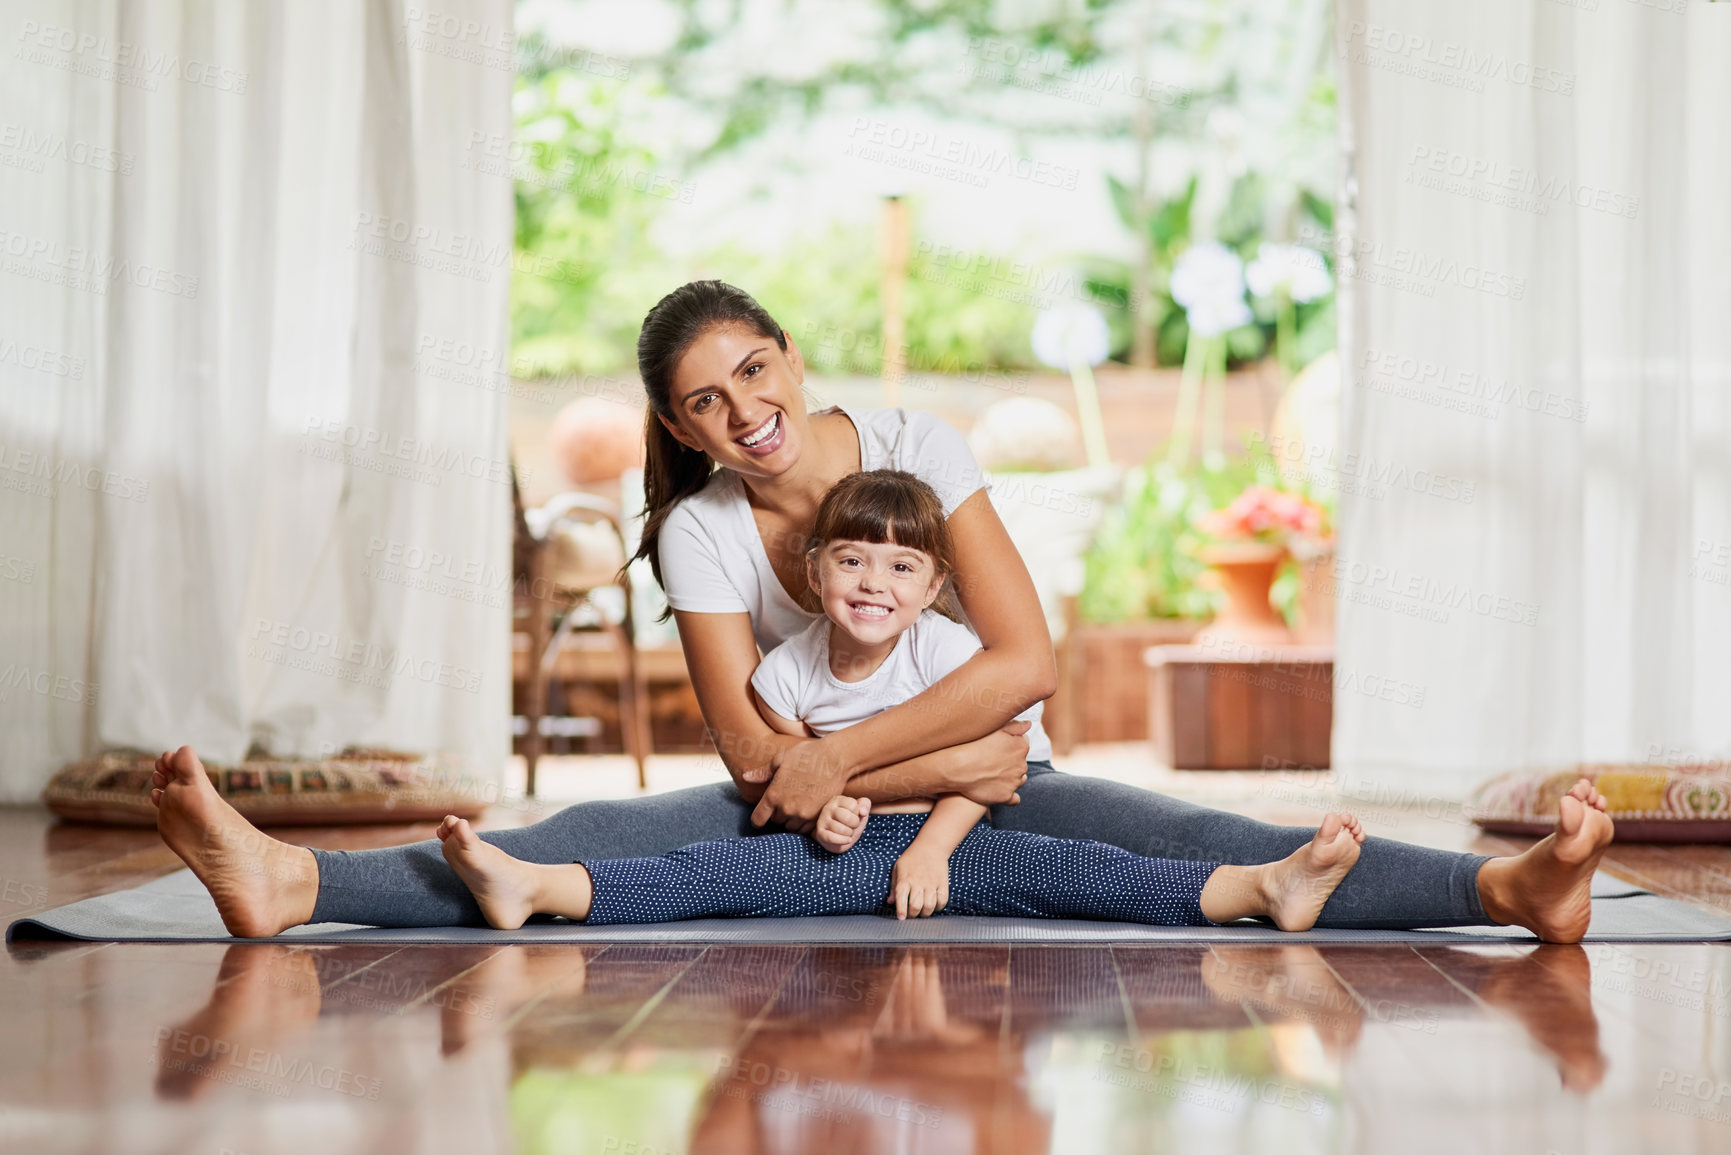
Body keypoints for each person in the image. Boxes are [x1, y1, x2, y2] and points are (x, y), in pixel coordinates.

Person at [148, 278, 1614, 943]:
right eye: (704, 404)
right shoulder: (705, 533)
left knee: (1225, 843)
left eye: (754, 371)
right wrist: (932, 758)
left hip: (936, 794)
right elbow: (742, 756)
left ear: (792, 353)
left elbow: (1024, 664)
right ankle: (295, 884)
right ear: (684, 427)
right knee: (577, 844)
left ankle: (1499, 890)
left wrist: (857, 761)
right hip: (812, 811)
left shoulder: (919, 445)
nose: (745, 411)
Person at [428, 470, 1368, 931]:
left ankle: (1266, 885)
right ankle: (533, 884)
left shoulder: (951, 651)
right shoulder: (785, 669)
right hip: (829, 855)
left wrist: (923, 846)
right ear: (813, 570)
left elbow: (991, 773)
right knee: (713, 871)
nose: (872, 582)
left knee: (1078, 866)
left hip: (956, 843)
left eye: (900, 565)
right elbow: (796, 775)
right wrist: (830, 814)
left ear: (930, 586)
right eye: (850, 559)